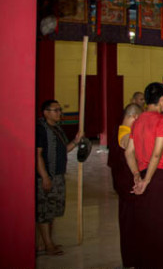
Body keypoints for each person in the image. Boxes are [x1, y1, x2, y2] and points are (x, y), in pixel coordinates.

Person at [125, 82, 163, 268]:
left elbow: (128, 152)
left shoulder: (138, 120)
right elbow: (157, 154)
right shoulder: (162, 120)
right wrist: (147, 180)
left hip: (144, 173)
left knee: (149, 225)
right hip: (161, 180)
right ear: (161, 100)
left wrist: (137, 175)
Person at [35, 100, 82, 256]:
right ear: (46, 112)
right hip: (47, 175)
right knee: (44, 211)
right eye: (55, 110)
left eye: (60, 110)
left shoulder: (56, 129)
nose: (59, 113)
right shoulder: (41, 130)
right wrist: (45, 177)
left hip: (58, 175)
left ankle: (43, 243)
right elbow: (38, 155)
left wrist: (75, 141)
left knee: (52, 210)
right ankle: (48, 245)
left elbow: (63, 150)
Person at [109, 102, 142, 268]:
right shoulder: (126, 133)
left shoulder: (121, 129)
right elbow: (132, 154)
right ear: (134, 117)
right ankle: (132, 258)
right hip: (129, 184)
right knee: (131, 222)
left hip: (123, 183)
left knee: (130, 221)